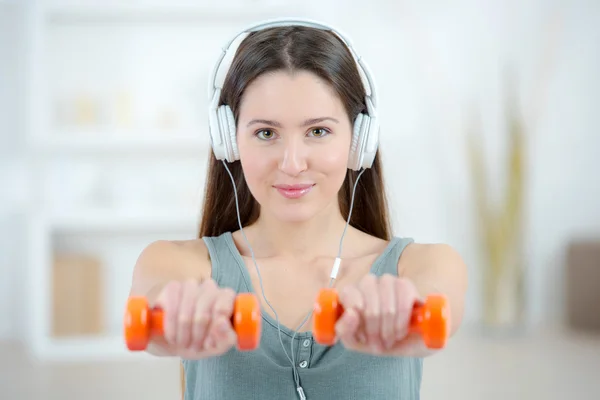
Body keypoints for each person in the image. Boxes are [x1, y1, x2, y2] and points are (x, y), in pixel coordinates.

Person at [128, 18, 468, 400]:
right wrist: (175, 313)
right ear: (229, 141)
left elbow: (436, 305)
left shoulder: (424, 265)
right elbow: (156, 305)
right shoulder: (180, 264)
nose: (292, 163)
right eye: (266, 133)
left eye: (318, 131)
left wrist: (403, 311)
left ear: (359, 141)